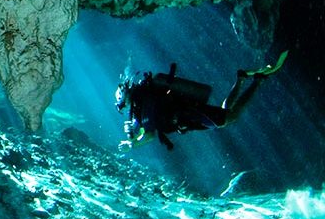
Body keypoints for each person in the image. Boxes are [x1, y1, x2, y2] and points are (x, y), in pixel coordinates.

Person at [116, 51, 288, 151]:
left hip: (191, 115)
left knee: (229, 117)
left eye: (124, 105)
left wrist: (131, 146)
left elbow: (149, 135)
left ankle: (257, 81)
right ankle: (241, 78)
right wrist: (133, 134)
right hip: (190, 114)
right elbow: (144, 128)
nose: (127, 109)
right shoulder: (143, 103)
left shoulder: (145, 104)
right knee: (224, 113)